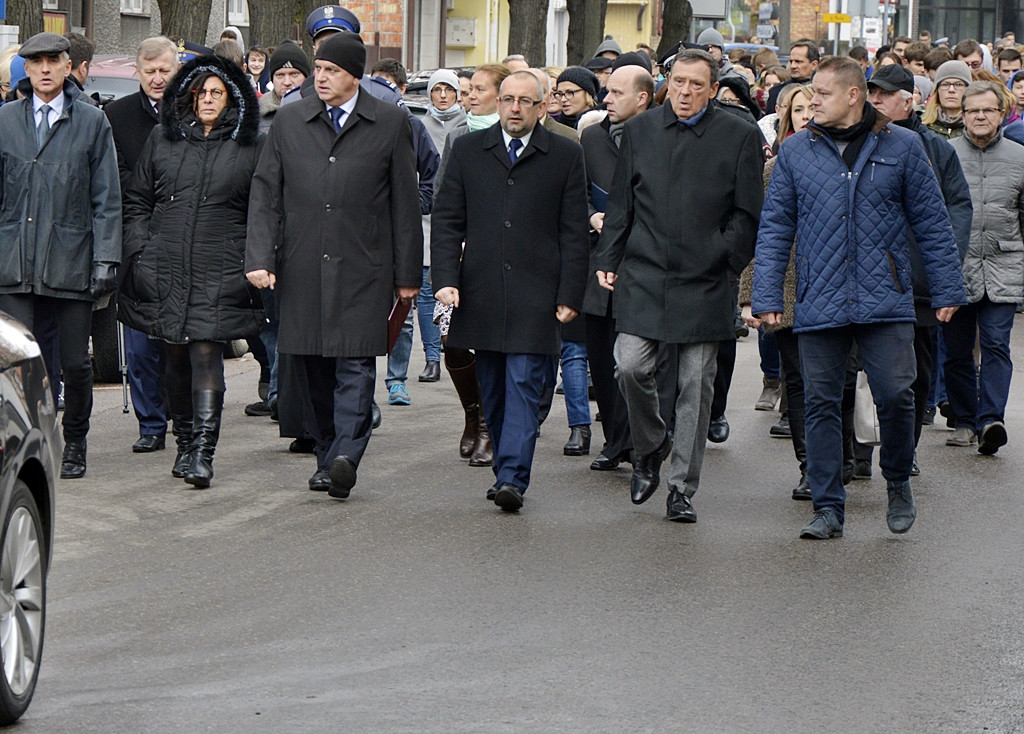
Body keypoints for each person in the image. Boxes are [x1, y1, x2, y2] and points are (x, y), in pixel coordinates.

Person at [752, 57, 966, 539]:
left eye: (821, 95)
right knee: (822, 403)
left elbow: (933, 224)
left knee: (896, 394)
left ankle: (897, 481)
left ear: (853, 95)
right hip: (819, 297)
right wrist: (766, 294)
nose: (811, 105)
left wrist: (948, 288)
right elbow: (775, 229)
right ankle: (828, 508)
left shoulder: (905, 147)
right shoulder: (795, 153)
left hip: (886, 296)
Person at [246, 32, 422, 500]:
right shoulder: (289, 120)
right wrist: (260, 257)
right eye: (318, 70)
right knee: (310, 368)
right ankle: (327, 454)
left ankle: (346, 454)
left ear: (355, 77)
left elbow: (405, 203)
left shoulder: (388, 122)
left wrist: (408, 276)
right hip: (301, 264)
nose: (320, 78)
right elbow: (265, 193)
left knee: (356, 364)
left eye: (331, 72)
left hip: (364, 265)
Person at [595, 49, 764, 523]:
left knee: (695, 385)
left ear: (713, 89)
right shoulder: (641, 131)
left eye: (697, 85)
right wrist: (608, 257)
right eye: (680, 82)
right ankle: (651, 446)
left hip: (706, 278)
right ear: (667, 82)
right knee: (629, 365)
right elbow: (622, 204)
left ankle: (681, 489)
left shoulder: (740, 135)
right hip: (645, 273)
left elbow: (748, 213)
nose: (686, 93)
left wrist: (724, 258)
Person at [431, 70, 590, 512]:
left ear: (542, 107)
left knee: (524, 383)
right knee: (493, 390)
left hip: (537, 293)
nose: (514, 108)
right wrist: (445, 278)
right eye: (507, 99)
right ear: (497, 103)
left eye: (525, 101)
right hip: (480, 291)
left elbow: (574, 231)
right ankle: (506, 467)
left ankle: (513, 478)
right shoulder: (467, 150)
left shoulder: (564, 154)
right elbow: (447, 220)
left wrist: (570, 293)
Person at [120, 55, 264, 488]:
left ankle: (203, 451)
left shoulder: (250, 145)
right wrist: (140, 250)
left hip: (220, 265)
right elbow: (138, 200)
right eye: (199, 92)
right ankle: (183, 441)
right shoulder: (164, 141)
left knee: (206, 354)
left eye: (216, 93)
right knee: (174, 355)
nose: (206, 100)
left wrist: (250, 258)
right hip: (164, 263)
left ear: (232, 97)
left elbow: (263, 210)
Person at [0, 32, 122, 479]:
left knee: (74, 361)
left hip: (71, 260)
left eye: (54, 61)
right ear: (26, 70)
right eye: (37, 62)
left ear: (68, 67)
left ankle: (76, 441)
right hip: (14, 263)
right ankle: (30, 441)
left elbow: (107, 198)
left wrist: (107, 258)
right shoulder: (5, 120)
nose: (46, 69)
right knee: (21, 364)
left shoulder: (92, 122)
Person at [862, 63, 973, 474]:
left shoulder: (935, 150)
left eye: (884, 95)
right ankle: (858, 451)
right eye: (871, 93)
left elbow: (958, 207)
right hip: (870, 279)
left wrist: (943, 263)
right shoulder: (855, 142)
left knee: (915, 376)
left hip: (919, 282)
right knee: (862, 372)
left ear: (909, 101)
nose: (875, 101)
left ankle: (904, 453)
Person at [105, 36, 181, 454]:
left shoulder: (194, 113)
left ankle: (177, 412)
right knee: (138, 341)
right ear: (138, 71)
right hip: (135, 240)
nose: (156, 79)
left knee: (177, 340)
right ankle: (150, 422)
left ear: (176, 70)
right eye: (149, 71)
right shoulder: (115, 116)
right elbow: (114, 178)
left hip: (185, 240)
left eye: (163, 71)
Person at [580, 64, 653, 472]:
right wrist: (592, 215)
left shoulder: (660, 135)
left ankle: (645, 442)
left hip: (645, 262)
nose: (605, 100)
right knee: (600, 355)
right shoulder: (591, 137)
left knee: (637, 362)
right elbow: (576, 191)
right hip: (598, 261)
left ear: (641, 98)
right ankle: (614, 440)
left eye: (615, 93)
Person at [944, 81, 1024, 455]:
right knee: (957, 348)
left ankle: (991, 419)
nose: (980, 116)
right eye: (973, 110)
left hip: (1005, 261)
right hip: (955, 265)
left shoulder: (1019, 157)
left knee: (995, 343)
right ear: (962, 116)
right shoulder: (944, 155)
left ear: (1000, 114)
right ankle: (963, 419)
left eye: (987, 110)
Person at [259, 41, 310, 132]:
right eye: (280, 75)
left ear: (306, 77)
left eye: (294, 74)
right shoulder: (258, 113)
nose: (287, 82)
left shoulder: (321, 111)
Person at [922, 60, 972, 138]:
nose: (951, 90)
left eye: (958, 84)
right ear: (937, 90)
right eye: (945, 84)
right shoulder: (921, 124)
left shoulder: (975, 126)